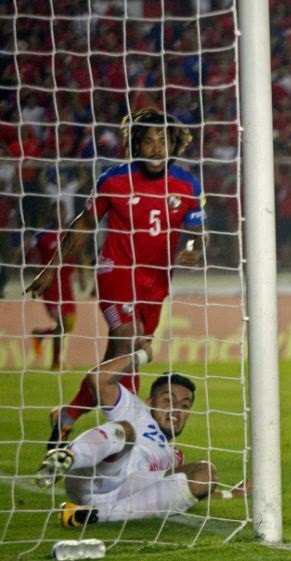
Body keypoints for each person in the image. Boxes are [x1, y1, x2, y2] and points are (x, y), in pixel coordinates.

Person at [27, 108, 205, 449]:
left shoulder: (188, 185)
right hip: (116, 271)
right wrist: (51, 269)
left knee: (119, 358)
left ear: (174, 144)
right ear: (136, 145)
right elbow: (83, 225)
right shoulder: (113, 180)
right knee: (131, 340)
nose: (156, 148)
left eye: (163, 140)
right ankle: (129, 432)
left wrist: (193, 250)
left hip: (157, 283)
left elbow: (197, 233)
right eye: (148, 141)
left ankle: (67, 415)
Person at [33, 342, 241, 528]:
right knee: (126, 430)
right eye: (168, 400)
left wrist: (230, 494)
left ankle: (89, 515)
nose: (176, 410)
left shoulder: (174, 456)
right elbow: (99, 378)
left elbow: (180, 491)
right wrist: (142, 355)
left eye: (184, 405)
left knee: (206, 473)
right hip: (94, 477)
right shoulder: (135, 410)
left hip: (126, 495)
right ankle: (66, 458)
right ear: (150, 402)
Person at [26, 201, 83, 371]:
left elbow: (78, 253)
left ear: (66, 212)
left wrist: (81, 276)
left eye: (62, 209)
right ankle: (56, 363)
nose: (59, 213)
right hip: (50, 287)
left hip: (66, 286)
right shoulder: (41, 236)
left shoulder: (71, 232)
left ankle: (41, 335)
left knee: (69, 324)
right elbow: (30, 256)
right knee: (63, 324)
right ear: (49, 213)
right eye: (55, 210)